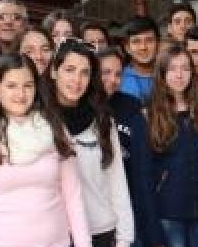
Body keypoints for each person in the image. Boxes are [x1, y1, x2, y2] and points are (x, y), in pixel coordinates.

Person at [0, 53, 91, 247]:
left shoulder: (56, 131)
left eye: (27, 85)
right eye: (11, 86)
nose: (20, 94)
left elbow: (73, 199)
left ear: (36, 89)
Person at [49, 40, 135, 247]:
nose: (76, 80)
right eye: (69, 70)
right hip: (56, 233)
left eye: (84, 72)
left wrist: (124, 240)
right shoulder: (40, 120)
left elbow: (117, 182)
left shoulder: (102, 120)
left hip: (100, 230)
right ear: (54, 71)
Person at [148, 44, 198, 247]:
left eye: (185, 68)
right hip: (170, 207)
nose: (179, 75)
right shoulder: (150, 113)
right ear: (162, 74)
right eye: (172, 69)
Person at [97, 48, 160, 247]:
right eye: (106, 72)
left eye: (118, 74)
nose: (113, 79)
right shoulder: (81, 110)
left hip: (131, 204)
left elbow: (143, 168)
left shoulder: (130, 105)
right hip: (96, 210)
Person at [119, 17, 159, 104]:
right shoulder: (117, 79)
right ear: (127, 48)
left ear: (158, 44)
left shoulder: (171, 75)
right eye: (136, 41)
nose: (143, 47)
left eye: (149, 40)